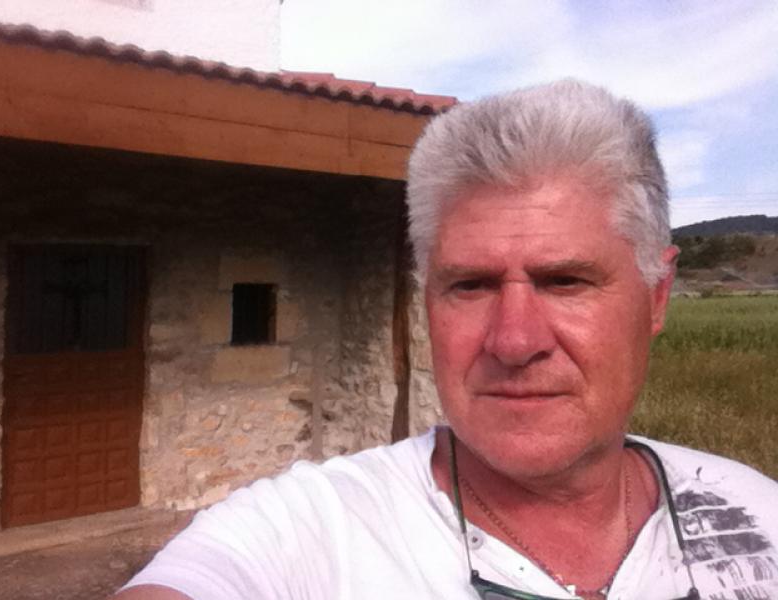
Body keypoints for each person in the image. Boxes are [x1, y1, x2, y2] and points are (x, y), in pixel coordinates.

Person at [113, 80, 778, 600]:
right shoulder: (312, 533)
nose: (513, 340)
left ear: (656, 297)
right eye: (470, 285)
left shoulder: (759, 512)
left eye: (565, 281)